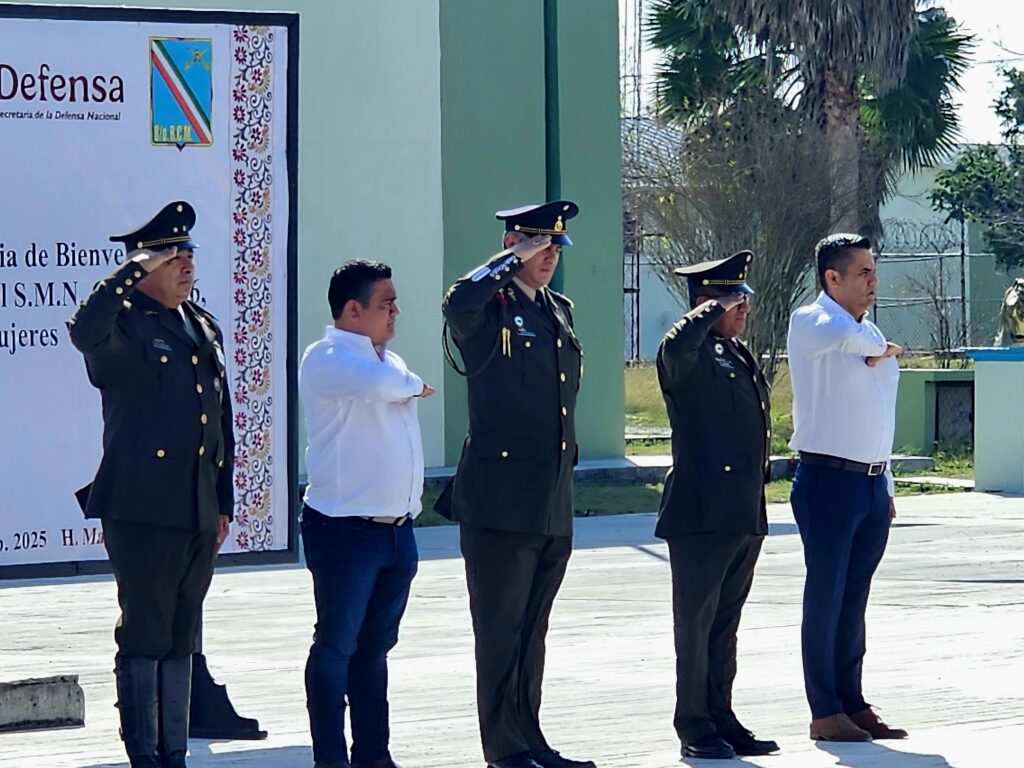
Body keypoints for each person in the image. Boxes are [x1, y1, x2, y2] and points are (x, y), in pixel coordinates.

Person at [68, 201, 234, 768]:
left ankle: (173, 753)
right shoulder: (125, 326)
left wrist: (223, 501)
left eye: (188, 252)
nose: (186, 263)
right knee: (146, 630)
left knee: (183, 632)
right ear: (143, 265)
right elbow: (85, 330)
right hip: (142, 507)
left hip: (195, 507)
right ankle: (145, 756)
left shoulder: (200, 324)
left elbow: (219, 421)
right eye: (171, 255)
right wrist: (130, 272)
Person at [436, 201, 593, 768]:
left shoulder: (558, 312)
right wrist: (506, 262)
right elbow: (457, 301)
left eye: (554, 246)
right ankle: (503, 748)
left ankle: (530, 738)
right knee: (500, 632)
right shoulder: (488, 309)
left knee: (532, 633)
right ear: (511, 246)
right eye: (535, 245)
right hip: (499, 501)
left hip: (550, 498)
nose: (548, 255)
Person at [299, 260, 433, 768]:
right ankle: (330, 758)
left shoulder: (388, 361)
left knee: (374, 649)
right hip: (345, 529)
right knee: (336, 646)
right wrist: (412, 382)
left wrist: (407, 379)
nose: (396, 311)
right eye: (386, 303)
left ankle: (374, 755)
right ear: (352, 310)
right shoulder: (328, 355)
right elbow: (380, 387)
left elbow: (390, 381)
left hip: (397, 530)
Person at [655, 251, 779, 761]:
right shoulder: (685, 354)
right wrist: (709, 310)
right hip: (700, 514)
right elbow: (677, 341)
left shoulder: (736, 353)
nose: (743, 308)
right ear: (706, 304)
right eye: (733, 300)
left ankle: (722, 715)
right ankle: (694, 723)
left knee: (725, 626)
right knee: (697, 625)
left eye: (743, 298)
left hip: (741, 512)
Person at [787, 233, 907, 742]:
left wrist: (889, 485)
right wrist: (882, 346)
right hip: (828, 479)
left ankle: (852, 701)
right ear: (831, 278)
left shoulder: (866, 331)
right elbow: (848, 338)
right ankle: (825, 709)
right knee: (826, 596)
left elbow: (881, 416)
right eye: (862, 272)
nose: (873, 282)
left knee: (854, 599)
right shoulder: (812, 322)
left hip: (870, 482)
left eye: (873, 271)